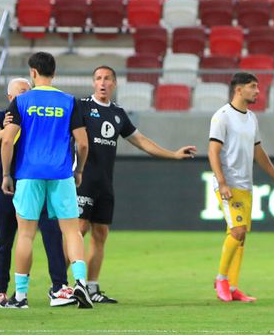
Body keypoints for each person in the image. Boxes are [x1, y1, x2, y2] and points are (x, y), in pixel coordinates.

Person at [78, 66, 197, 303]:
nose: (102, 82)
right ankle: (70, 285)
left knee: (100, 234)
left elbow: (141, 141)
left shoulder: (118, 113)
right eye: (98, 78)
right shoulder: (81, 107)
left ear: (114, 84)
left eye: (107, 79)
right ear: (93, 83)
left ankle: (92, 288)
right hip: (82, 179)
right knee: (79, 230)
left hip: (105, 182)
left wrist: (173, 154)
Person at [0, 52, 92, 308]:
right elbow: (83, 144)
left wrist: (6, 174)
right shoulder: (69, 101)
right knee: (71, 231)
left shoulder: (21, 101)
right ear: (54, 72)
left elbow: (7, 140)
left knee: (26, 235)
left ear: (33, 72)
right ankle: (81, 283)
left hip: (29, 173)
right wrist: (79, 170)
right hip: (61, 172)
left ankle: (20, 296)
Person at [0, 78, 70, 307]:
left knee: (51, 233)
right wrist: (9, 127)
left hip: (35, 182)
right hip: (7, 186)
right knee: (5, 238)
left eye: (27, 91)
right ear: (10, 98)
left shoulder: (33, 116)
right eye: (20, 93)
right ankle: (0, 290)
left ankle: (59, 286)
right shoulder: (0, 117)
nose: (25, 96)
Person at [208, 72, 274, 302]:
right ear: (238, 90)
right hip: (228, 183)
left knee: (240, 237)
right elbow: (213, 151)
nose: (257, 91)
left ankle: (232, 287)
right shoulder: (222, 116)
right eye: (253, 87)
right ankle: (221, 279)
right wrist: (222, 183)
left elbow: (258, 151)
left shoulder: (251, 118)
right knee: (237, 230)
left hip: (245, 184)